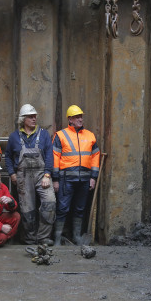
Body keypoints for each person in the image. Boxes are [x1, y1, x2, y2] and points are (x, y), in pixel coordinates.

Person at [5, 104, 56, 245]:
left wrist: (47, 175)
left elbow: (49, 156)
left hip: (41, 175)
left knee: (50, 203)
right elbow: (8, 156)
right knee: (27, 209)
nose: (34, 119)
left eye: (35, 116)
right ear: (23, 119)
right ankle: (30, 238)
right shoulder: (14, 137)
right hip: (22, 176)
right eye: (30, 116)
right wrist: (11, 174)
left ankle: (43, 237)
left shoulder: (44, 134)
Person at [52, 105, 100, 246]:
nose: (80, 119)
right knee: (62, 208)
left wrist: (93, 177)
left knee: (80, 208)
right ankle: (57, 239)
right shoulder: (61, 135)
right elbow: (55, 158)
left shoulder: (90, 135)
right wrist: (55, 179)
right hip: (66, 179)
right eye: (77, 117)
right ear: (70, 119)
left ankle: (77, 237)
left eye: (81, 116)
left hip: (84, 179)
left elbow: (95, 156)